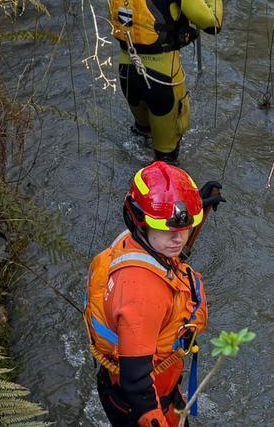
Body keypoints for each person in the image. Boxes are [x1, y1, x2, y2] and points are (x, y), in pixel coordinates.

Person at [84, 162, 223, 427]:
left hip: (149, 388)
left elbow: (169, 255)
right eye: (168, 230)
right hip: (138, 404)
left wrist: (197, 207)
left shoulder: (136, 242)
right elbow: (136, 380)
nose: (178, 239)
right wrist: (152, 419)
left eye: (185, 227)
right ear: (142, 223)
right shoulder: (141, 295)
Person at [109, 0, 223, 164]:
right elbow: (213, 24)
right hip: (162, 82)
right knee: (166, 161)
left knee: (138, 141)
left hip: (127, 75)